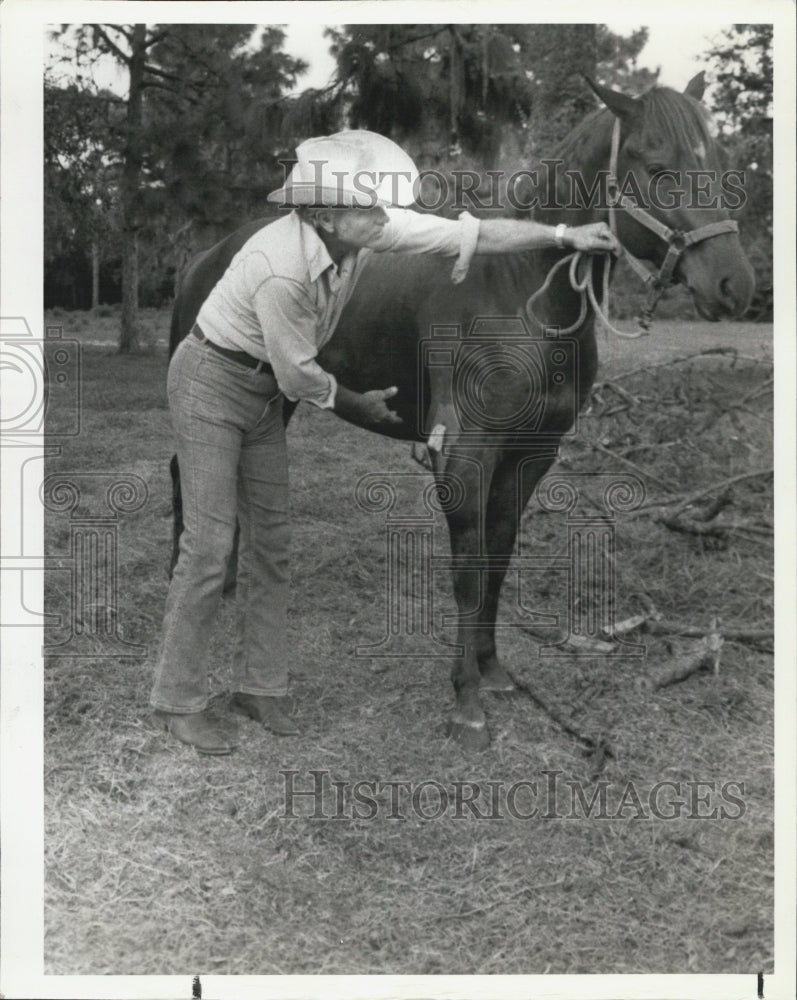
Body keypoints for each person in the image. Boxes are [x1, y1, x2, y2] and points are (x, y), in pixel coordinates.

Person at [151, 129, 618, 754]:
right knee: (210, 547)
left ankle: (259, 687)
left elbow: (470, 235)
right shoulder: (280, 269)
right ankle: (178, 700)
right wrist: (360, 405)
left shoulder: (361, 234)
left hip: (265, 389)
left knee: (273, 543)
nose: (382, 217)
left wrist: (566, 237)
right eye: (366, 207)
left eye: (379, 205)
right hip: (215, 382)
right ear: (322, 214)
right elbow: (301, 376)